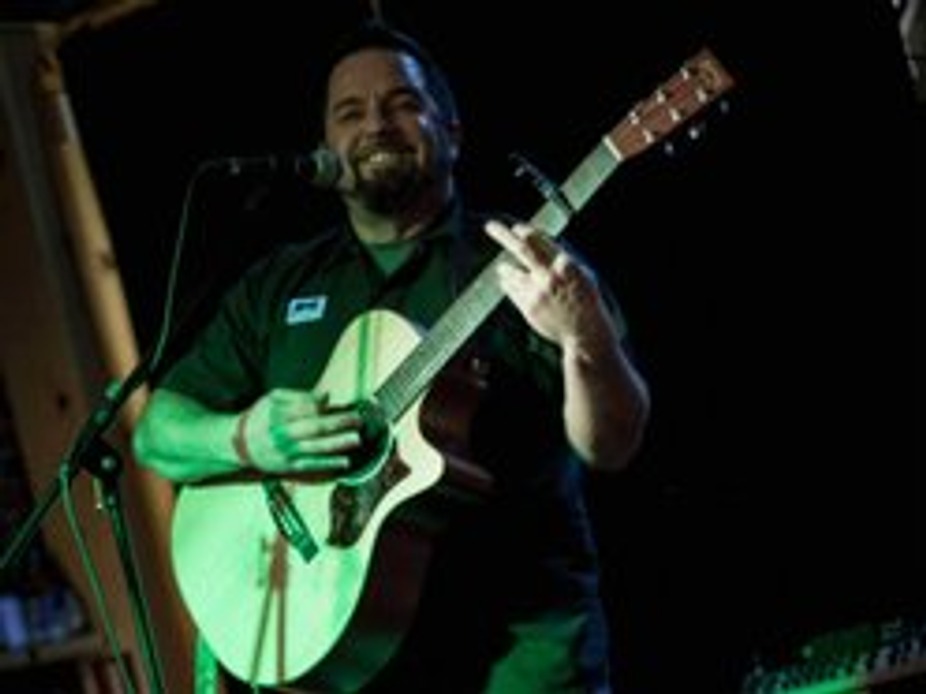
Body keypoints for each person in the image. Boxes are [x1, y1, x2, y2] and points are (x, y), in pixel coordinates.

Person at [132, 18, 650, 694]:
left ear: (452, 132)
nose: (375, 123)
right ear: (326, 149)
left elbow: (612, 445)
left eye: (402, 103)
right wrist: (244, 438)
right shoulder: (278, 284)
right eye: (350, 112)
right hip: (347, 657)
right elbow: (155, 433)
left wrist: (585, 339)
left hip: (522, 658)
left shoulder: (531, 266)